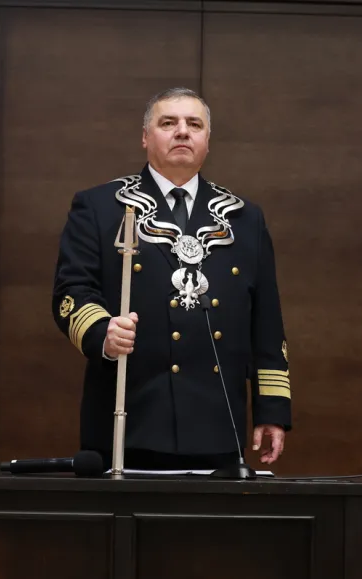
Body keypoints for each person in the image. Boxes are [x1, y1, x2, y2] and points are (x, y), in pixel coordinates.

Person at [52, 88, 291, 470]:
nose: (182, 131)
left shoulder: (244, 218)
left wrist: (272, 409)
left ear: (207, 140)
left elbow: (266, 321)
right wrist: (102, 332)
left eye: (194, 124)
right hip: (129, 421)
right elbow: (71, 293)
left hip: (217, 425)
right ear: (145, 137)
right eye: (168, 123)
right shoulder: (100, 207)